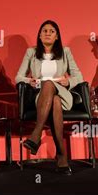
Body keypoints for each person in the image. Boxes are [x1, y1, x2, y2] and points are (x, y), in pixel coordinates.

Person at [16, 20, 83, 175]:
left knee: (52, 88)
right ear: (39, 35)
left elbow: (79, 76)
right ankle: (62, 155)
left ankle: (36, 134)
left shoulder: (65, 52)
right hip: (41, 96)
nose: (47, 33)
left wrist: (69, 81)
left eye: (51, 31)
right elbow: (18, 77)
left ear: (57, 36)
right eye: (44, 31)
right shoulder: (31, 52)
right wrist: (29, 81)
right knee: (53, 98)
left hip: (63, 93)